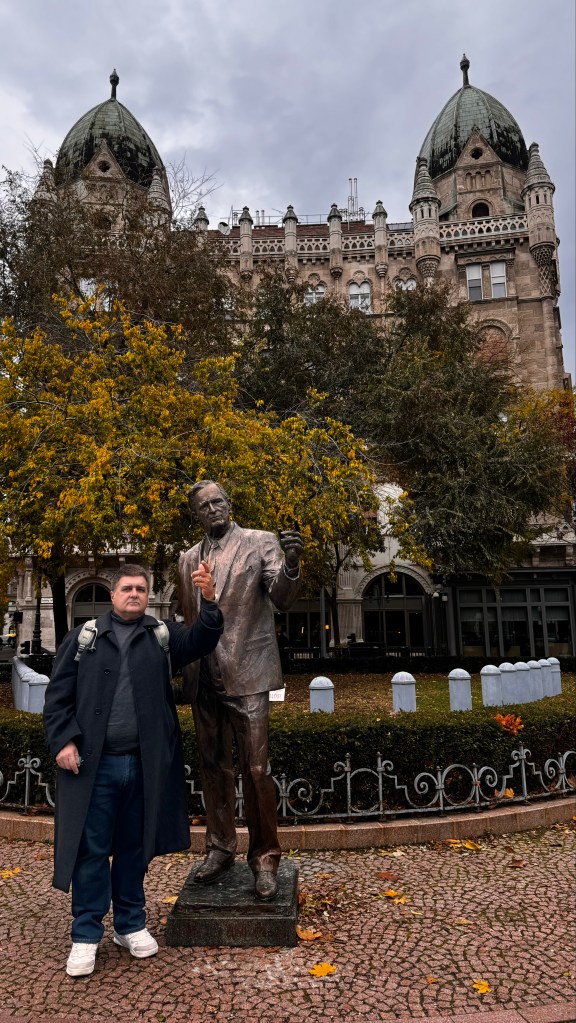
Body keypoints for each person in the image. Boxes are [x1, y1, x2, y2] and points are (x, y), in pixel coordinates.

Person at [43, 562, 222, 977]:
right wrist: (64, 741)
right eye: (127, 588)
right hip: (93, 767)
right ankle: (86, 934)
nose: (135, 594)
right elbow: (57, 697)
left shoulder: (161, 636)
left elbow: (203, 638)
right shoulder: (84, 637)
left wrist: (209, 600)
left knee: (134, 849)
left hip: (144, 766)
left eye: (141, 588)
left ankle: (129, 924)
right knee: (90, 851)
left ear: (147, 595)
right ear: (113, 595)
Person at [178, 480, 303, 902]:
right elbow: (188, 617)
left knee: (256, 769)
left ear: (229, 504)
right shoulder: (187, 558)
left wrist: (291, 565)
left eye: (219, 501)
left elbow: (282, 598)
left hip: (248, 671)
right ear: (196, 514)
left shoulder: (259, 542)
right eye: (204, 506)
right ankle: (220, 847)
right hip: (203, 676)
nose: (213, 509)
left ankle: (265, 857)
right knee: (212, 766)